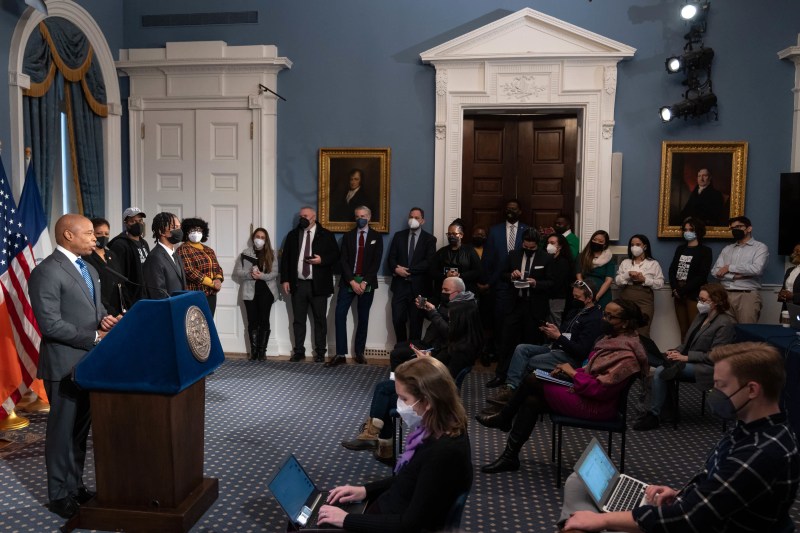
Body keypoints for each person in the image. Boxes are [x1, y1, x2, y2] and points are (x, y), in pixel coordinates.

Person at [561, 342, 799, 533]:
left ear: (752, 390)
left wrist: (603, 521)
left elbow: (688, 519)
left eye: (721, 386)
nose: (714, 393)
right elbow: (718, 486)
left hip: (697, 523)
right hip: (702, 515)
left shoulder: (759, 452)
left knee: (584, 514)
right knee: (577, 483)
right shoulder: (754, 426)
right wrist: (680, 494)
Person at [477, 298, 648, 474]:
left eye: (610, 317)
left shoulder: (627, 356)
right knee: (532, 400)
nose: (603, 319)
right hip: (585, 393)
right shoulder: (611, 341)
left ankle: (505, 418)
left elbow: (600, 390)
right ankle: (509, 456)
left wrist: (573, 373)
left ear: (625, 324)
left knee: (533, 379)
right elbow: (590, 371)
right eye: (605, 314)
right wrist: (570, 372)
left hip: (597, 406)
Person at [29, 214, 120, 519]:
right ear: (68, 235)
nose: (96, 238)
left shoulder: (90, 268)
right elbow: (50, 325)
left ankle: (75, 485)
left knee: (80, 432)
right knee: (61, 433)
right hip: (63, 366)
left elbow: (95, 309)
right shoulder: (46, 272)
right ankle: (58, 495)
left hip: (90, 365)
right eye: (90, 234)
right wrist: (96, 334)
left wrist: (104, 318)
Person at [319, 357, 473, 532]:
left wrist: (346, 520)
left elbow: (410, 524)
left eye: (403, 398)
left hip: (394, 521)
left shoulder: (442, 453)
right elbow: (410, 478)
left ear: (428, 402)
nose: (399, 405)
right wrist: (365, 490)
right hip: (390, 507)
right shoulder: (441, 429)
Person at [342, 277, 481, 459]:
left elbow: (442, 378)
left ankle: (375, 439)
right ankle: (380, 444)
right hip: (430, 383)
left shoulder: (460, 350)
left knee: (383, 390)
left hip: (432, 393)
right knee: (385, 394)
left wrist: (426, 361)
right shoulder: (465, 341)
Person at [633, 284, 737, 431]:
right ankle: (663, 412)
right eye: (699, 299)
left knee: (661, 371)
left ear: (716, 301)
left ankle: (654, 415)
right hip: (689, 360)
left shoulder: (725, 323)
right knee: (659, 361)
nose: (699, 303)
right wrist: (674, 352)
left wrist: (686, 358)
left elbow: (716, 355)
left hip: (708, 367)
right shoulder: (701, 317)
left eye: (703, 300)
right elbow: (686, 343)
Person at [486, 279, 603, 406]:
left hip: (570, 358)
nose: (574, 299)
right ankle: (511, 389)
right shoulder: (575, 311)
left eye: (577, 297)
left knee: (529, 361)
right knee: (521, 349)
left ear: (589, 298)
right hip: (557, 348)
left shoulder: (594, 319)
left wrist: (558, 337)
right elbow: (565, 333)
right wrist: (553, 331)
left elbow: (581, 351)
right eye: (573, 295)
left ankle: (513, 398)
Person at [488, 228, 553, 388]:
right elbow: (502, 275)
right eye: (526, 247)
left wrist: (535, 283)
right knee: (506, 342)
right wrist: (511, 275)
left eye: (532, 248)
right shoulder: (513, 255)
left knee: (530, 343)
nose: (529, 250)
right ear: (522, 243)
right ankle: (501, 375)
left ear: (538, 245)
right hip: (514, 305)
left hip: (535, 307)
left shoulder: (546, 258)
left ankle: (526, 378)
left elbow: (552, 283)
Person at [280, 206, 339, 362]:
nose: (302, 218)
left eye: (305, 216)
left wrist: (322, 260)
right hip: (298, 284)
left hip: (318, 285)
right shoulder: (293, 235)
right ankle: (299, 351)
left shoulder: (326, 235)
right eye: (301, 216)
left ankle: (320, 352)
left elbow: (335, 256)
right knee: (298, 320)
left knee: (320, 320)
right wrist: (285, 279)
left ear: (313, 217)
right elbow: (285, 259)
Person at [328, 206, 384, 367]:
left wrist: (364, 282)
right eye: (358, 216)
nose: (361, 218)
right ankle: (340, 353)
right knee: (339, 314)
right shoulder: (348, 236)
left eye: (363, 216)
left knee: (363, 317)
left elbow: (376, 262)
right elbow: (343, 260)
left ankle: (359, 352)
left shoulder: (376, 237)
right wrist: (352, 281)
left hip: (367, 282)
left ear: (369, 217)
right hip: (348, 282)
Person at [482, 200, 530, 358]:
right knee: (499, 319)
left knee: (519, 321)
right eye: (508, 208)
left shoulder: (527, 230)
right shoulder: (494, 230)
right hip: (499, 282)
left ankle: (515, 353)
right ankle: (498, 352)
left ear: (520, 211)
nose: (511, 211)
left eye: (514, 209)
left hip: (522, 284)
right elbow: (488, 258)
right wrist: (488, 281)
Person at [387, 207, 436, 343]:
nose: (413, 220)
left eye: (416, 218)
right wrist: (396, 269)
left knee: (416, 322)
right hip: (400, 287)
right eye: (411, 217)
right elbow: (391, 259)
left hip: (419, 289)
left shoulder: (429, 239)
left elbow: (429, 261)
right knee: (397, 319)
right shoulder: (398, 236)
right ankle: (401, 350)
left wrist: (408, 270)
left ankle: (413, 355)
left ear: (423, 221)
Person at [232, 227, 279, 361]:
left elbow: (274, 273)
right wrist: (250, 274)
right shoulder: (245, 253)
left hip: (266, 291)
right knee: (252, 321)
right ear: (253, 238)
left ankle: (262, 351)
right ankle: (254, 351)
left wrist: (261, 276)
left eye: (262, 237)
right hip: (249, 292)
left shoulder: (272, 254)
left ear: (266, 240)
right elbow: (238, 273)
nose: (259, 239)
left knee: (264, 320)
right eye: (257, 236)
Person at [712, 215, 769, 323]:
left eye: (739, 226)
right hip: (725, 295)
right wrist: (735, 276)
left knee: (747, 332)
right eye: (733, 228)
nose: (735, 230)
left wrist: (729, 267)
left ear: (749, 228)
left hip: (746, 295)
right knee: (726, 333)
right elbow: (715, 271)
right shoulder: (727, 249)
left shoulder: (760, 247)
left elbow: (756, 269)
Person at [668, 216, 712, 339]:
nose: (687, 232)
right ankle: (681, 354)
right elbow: (672, 270)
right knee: (683, 329)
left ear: (698, 231)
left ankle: (692, 355)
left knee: (695, 328)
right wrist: (675, 289)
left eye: (691, 230)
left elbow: (702, 275)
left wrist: (683, 290)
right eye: (685, 230)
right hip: (678, 293)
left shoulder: (705, 251)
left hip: (694, 294)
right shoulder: (680, 249)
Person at [614, 234, 664, 337]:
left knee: (643, 330)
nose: (634, 247)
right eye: (632, 245)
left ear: (645, 246)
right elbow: (617, 281)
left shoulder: (653, 264)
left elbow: (660, 284)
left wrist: (644, 279)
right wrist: (628, 275)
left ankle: (642, 352)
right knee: (624, 329)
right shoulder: (625, 263)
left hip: (644, 299)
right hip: (626, 298)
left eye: (638, 244)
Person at [176, 217, 224, 315]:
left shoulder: (209, 250)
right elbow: (189, 271)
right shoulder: (183, 249)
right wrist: (212, 283)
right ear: (186, 232)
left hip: (211, 294)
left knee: (209, 324)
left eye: (199, 230)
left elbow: (217, 268)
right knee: (197, 325)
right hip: (195, 294)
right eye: (192, 230)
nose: (196, 233)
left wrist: (218, 280)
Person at [107, 207, 150, 308]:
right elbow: (118, 276)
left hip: (145, 296)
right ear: (126, 223)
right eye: (133, 221)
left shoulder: (144, 243)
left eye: (140, 220)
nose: (138, 224)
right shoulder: (119, 245)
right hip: (131, 299)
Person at [430, 221, 482, 299]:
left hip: (466, 293)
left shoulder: (470, 251)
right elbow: (432, 271)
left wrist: (460, 275)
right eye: (449, 234)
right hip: (444, 295)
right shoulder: (441, 252)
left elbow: (478, 271)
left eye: (454, 234)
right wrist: (445, 276)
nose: (451, 236)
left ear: (461, 235)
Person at [82, 217, 123, 316]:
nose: (103, 237)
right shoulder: (86, 257)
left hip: (118, 308)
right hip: (100, 310)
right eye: (99, 233)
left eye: (106, 234)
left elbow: (119, 280)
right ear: (92, 234)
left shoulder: (111, 255)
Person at [142, 212, 186, 298]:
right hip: (167, 308)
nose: (179, 230)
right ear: (161, 231)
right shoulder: (154, 258)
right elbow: (157, 293)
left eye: (179, 227)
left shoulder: (175, 254)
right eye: (174, 227)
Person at [576, 229, 615, 309]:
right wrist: (584, 291)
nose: (596, 242)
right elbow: (578, 275)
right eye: (594, 240)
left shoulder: (609, 259)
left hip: (603, 295)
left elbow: (608, 280)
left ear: (605, 244)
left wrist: (597, 296)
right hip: (584, 294)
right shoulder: (582, 256)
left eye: (600, 241)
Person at [545, 232, 575, 325]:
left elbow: (558, 283)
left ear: (560, 246)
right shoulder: (548, 259)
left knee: (555, 324)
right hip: (547, 298)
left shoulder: (563, 262)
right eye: (548, 242)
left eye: (552, 243)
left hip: (557, 298)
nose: (549, 245)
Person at [778, 242, 800, 310]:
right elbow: (784, 288)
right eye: (794, 251)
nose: (794, 253)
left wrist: (793, 296)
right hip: (786, 307)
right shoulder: (789, 270)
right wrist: (781, 294)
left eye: (798, 251)